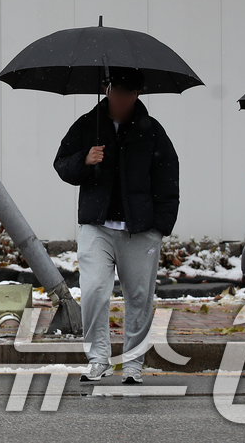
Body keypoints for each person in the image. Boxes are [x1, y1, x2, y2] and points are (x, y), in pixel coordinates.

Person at [53, 68, 180, 385]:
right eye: (116, 91)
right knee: (94, 290)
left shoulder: (153, 131)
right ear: (106, 89)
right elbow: (62, 164)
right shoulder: (87, 125)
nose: (120, 99)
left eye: (128, 93)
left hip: (140, 230)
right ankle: (97, 359)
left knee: (139, 297)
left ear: (137, 95)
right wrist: (85, 159)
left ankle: (134, 362)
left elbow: (168, 179)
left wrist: (160, 226)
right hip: (96, 226)